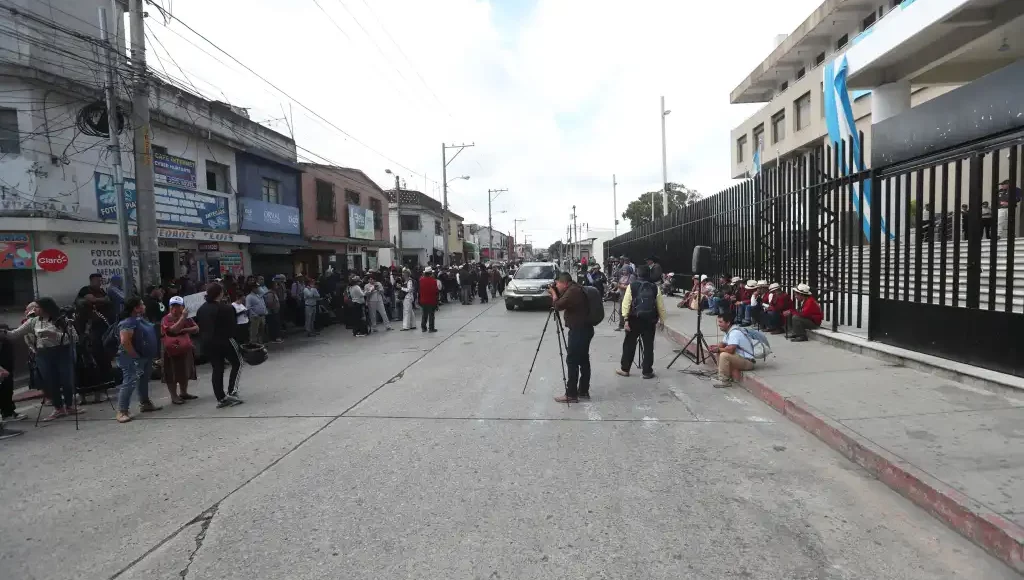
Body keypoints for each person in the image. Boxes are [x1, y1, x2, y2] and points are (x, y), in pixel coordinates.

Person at [2, 298, 81, 422]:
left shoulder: (61, 320)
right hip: (43, 354)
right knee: (49, 381)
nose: (34, 310)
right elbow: (15, 334)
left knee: (66, 379)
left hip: (62, 352)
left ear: (46, 308)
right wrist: (3, 332)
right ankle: (58, 408)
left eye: (37, 307)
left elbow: (74, 338)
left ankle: (69, 405)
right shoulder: (33, 322)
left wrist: (54, 335)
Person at [114, 297, 162, 423]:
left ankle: (145, 403)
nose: (144, 306)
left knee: (144, 380)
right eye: (142, 304)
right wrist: (134, 356)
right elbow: (125, 341)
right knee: (129, 382)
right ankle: (122, 410)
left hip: (144, 356)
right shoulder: (127, 323)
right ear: (136, 308)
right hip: (131, 357)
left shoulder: (140, 320)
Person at [195, 284, 244, 407]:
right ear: (220, 293)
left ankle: (221, 397)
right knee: (238, 363)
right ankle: (232, 391)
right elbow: (233, 328)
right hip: (225, 340)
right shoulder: (226, 308)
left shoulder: (201, 309)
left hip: (208, 343)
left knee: (217, 368)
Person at [616, 265, 667, 380]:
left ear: (637, 274)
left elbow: (626, 304)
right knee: (648, 346)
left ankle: (625, 369)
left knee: (629, 344)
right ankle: (647, 371)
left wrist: (625, 320)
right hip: (649, 320)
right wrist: (662, 320)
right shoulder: (654, 287)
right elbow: (660, 305)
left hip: (634, 320)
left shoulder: (632, 286)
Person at [549, 272, 593, 403]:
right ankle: (583, 391)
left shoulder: (573, 291)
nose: (557, 285)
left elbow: (557, 305)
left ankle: (572, 394)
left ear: (565, 283)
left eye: (558, 283)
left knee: (572, 360)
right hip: (585, 329)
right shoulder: (575, 288)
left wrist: (553, 294)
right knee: (583, 359)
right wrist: (556, 291)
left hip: (579, 331)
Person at [161, 296, 198, 405]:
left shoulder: (187, 317)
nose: (176, 308)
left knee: (184, 371)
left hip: (185, 349)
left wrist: (184, 329)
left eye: (178, 305)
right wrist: (182, 320)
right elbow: (173, 330)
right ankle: (174, 396)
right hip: (171, 350)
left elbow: (196, 328)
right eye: (174, 305)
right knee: (171, 373)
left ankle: (184, 392)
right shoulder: (166, 319)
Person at [708, 311, 756, 389]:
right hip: (740, 358)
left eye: (721, 322)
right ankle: (721, 375)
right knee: (719, 352)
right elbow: (723, 343)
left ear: (728, 323)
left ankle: (724, 381)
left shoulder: (735, 333)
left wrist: (718, 349)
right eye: (718, 322)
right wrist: (714, 347)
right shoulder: (729, 331)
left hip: (748, 362)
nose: (718, 324)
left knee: (724, 355)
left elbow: (731, 350)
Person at [419, 267, 440, 332]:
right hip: (431, 300)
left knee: (424, 315)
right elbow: (436, 291)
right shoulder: (433, 281)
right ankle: (431, 328)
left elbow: (419, 290)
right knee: (431, 315)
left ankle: (423, 327)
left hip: (423, 300)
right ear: (431, 273)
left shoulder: (421, 280)